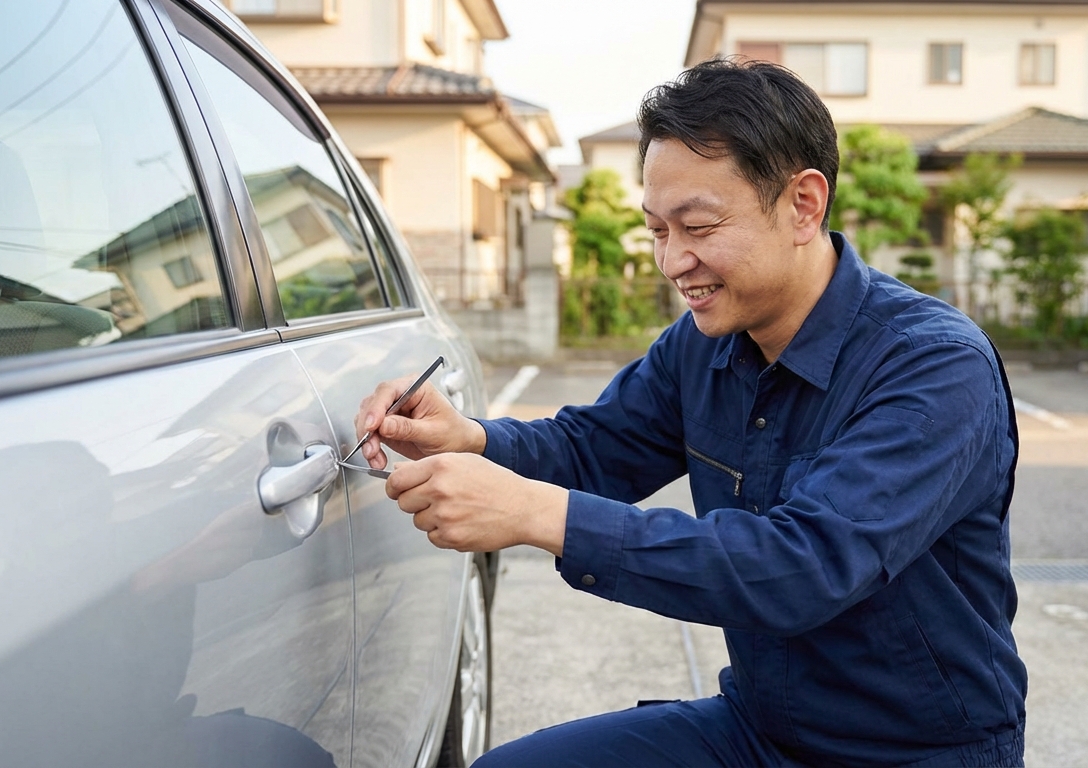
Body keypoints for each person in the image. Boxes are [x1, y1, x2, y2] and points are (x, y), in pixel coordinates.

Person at [356, 58, 1026, 767]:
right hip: (758, 731)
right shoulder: (704, 343)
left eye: (698, 226)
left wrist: (535, 512)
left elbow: (804, 566)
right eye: (657, 231)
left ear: (803, 205)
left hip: (915, 752)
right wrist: (468, 438)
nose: (674, 261)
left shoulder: (934, 364)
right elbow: (595, 448)